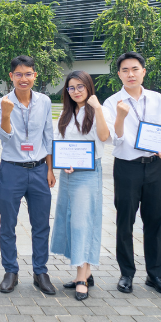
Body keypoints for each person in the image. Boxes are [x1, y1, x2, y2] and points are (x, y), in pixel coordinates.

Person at [102, 52, 161, 296]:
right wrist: (121, 117)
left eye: (135, 69)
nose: (130, 74)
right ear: (119, 74)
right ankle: (126, 274)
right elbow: (113, 138)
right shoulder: (112, 103)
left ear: (144, 71)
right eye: (125, 70)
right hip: (127, 166)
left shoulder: (158, 99)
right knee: (125, 221)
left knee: (154, 220)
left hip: (154, 166)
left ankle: (155, 275)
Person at [0, 56, 56, 295]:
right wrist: (6, 115)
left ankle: (41, 272)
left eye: (28, 74)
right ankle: (11, 271)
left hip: (39, 169)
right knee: (8, 223)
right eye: (18, 74)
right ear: (11, 76)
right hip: (12, 169)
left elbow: (48, 136)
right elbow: (5, 138)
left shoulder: (44, 101)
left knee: (41, 224)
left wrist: (50, 169)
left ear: (34, 76)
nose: (23, 79)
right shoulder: (2, 103)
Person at [50, 71, 110, 301]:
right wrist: (61, 163)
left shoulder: (97, 110)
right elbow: (59, 142)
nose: (76, 91)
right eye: (71, 88)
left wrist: (98, 109)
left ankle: (81, 278)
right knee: (70, 220)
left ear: (88, 87)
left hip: (88, 174)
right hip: (68, 174)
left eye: (80, 87)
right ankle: (87, 273)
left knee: (82, 223)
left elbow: (103, 137)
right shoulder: (66, 113)